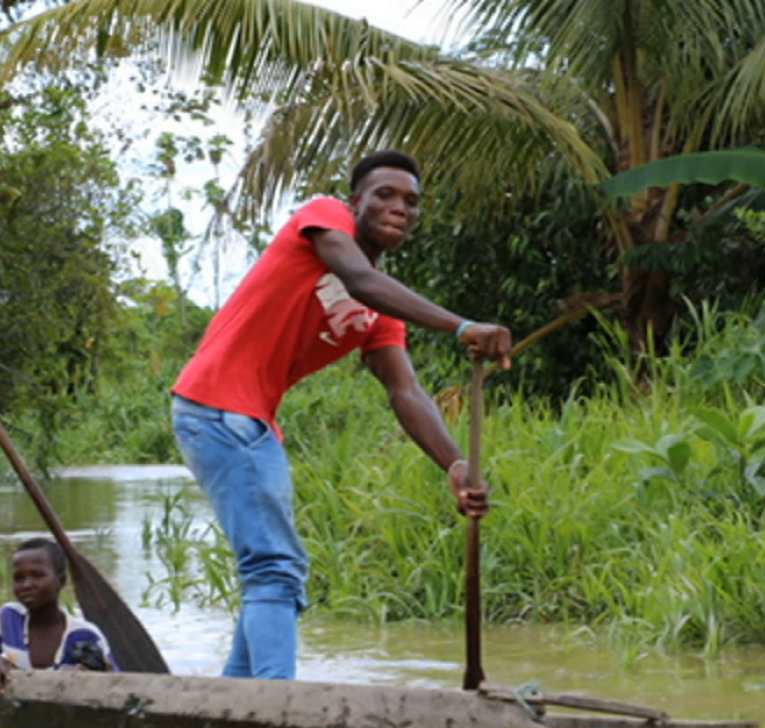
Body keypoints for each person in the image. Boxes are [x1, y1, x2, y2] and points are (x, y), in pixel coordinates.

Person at [171, 150, 513, 681]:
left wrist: (455, 464)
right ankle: (277, 707)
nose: (399, 208)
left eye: (411, 203)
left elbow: (405, 391)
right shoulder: (325, 217)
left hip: (250, 422)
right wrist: (462, 326)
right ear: (355, 202)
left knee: (272, 571)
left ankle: (237, 698)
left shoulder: (380, 311)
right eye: (385, 196)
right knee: (276, 570)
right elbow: (358, 278)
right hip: (218, 408)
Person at [0, 538, 112, 695]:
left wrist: (88, 677)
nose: (26, 585)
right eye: (18, 578)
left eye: (37, 575)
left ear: (61, 581)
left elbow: (115, 681)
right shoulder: (8, 618)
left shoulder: (85, 635)